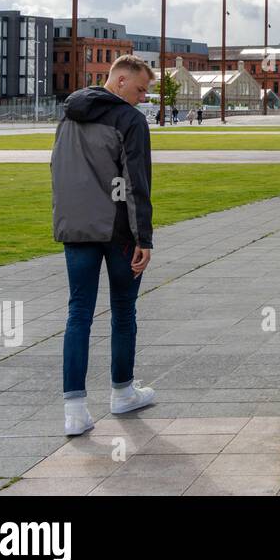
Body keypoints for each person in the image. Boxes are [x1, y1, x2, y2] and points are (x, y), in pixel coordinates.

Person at [51, 54, 158, 436]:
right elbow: (136, 184)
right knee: (123, 311)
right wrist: (143, 237)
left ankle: (74, 411)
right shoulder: (129, 121)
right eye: (142, 89)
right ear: (122, 80)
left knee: (78, 313)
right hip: (117, 232)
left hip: (75, 228)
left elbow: (58, 169)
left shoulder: (68, 115)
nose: (144, 98)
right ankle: (122, 391)